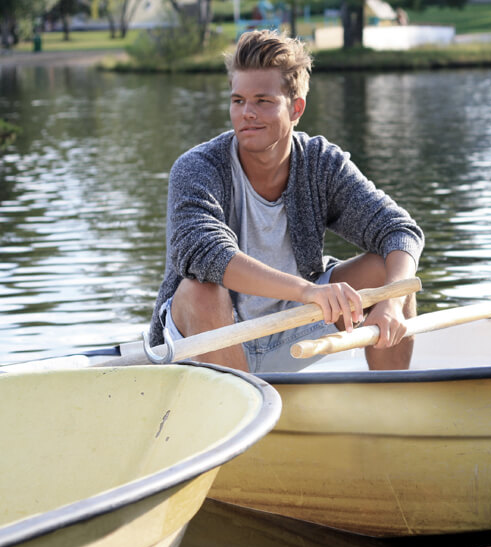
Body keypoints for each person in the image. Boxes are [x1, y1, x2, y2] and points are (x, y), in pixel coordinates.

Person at [148, 29, 424, 372]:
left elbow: (400, 230)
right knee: (199, 291)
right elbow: (204, 251)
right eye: (238, 100)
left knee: (391, 271)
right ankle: (245, 402)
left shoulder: (320, 163)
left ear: (296, 108)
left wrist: (392, 300)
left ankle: (393, 399)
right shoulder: (197, 168)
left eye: (262, 101)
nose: (247, 113)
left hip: (294, 325)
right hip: (212, 337)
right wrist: (307, 291)